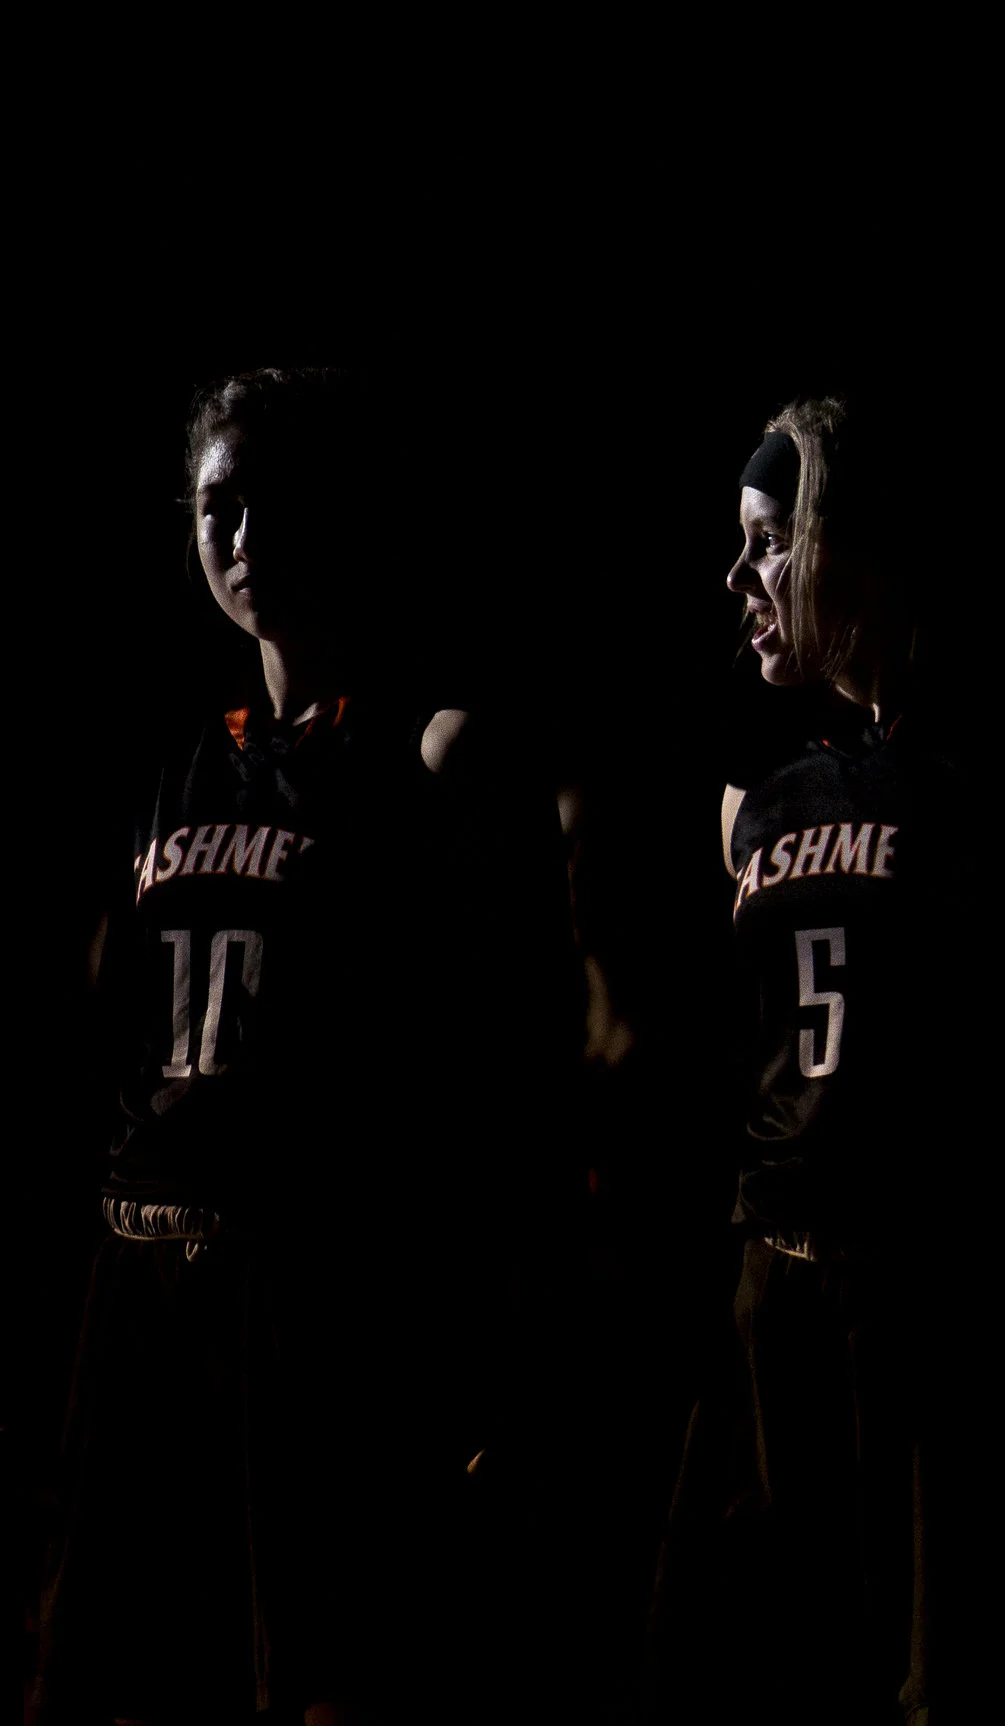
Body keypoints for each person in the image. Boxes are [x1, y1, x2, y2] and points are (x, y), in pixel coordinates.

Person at [33, 367, 562, 1722]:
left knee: (313, 1677)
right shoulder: (174, 765)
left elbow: (500, 1065)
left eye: (277, 500)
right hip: (142, 1281)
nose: (247, 533)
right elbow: (111, 1026)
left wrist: (476, 1332)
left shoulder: (424, 751)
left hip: (310, 1293)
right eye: (220, 505)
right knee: (111, 1666)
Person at [650, 395, 1002, 1724]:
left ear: (847, 544)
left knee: (925, 1672)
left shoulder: (980, 775)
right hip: (771, 1285)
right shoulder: (768, 793)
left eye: (765, 542)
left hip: (913, 1300)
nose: (739, 579)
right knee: (735, 1654)